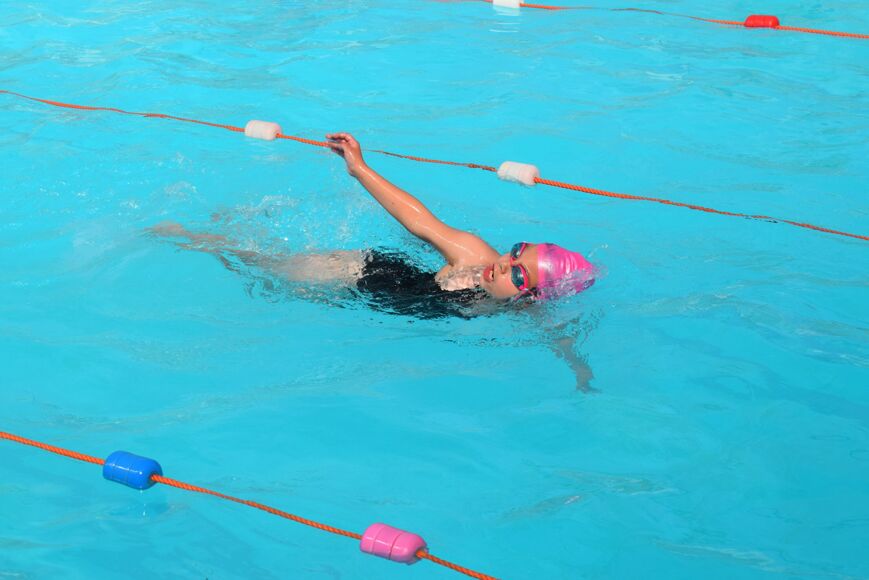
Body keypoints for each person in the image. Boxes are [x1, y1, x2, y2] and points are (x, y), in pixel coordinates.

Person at [150, 133, 599, 388]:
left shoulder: (523, 314)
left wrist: (581, 374)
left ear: (528, 297)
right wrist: (359, 168)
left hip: (376, 305)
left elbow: (560, 337)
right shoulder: (474, 256)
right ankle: (197, 238)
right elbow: (419, 220)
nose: (502, 263)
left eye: (517, 272)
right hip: (363, 274)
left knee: (271, 283)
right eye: (516, 251)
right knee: (262, 268)